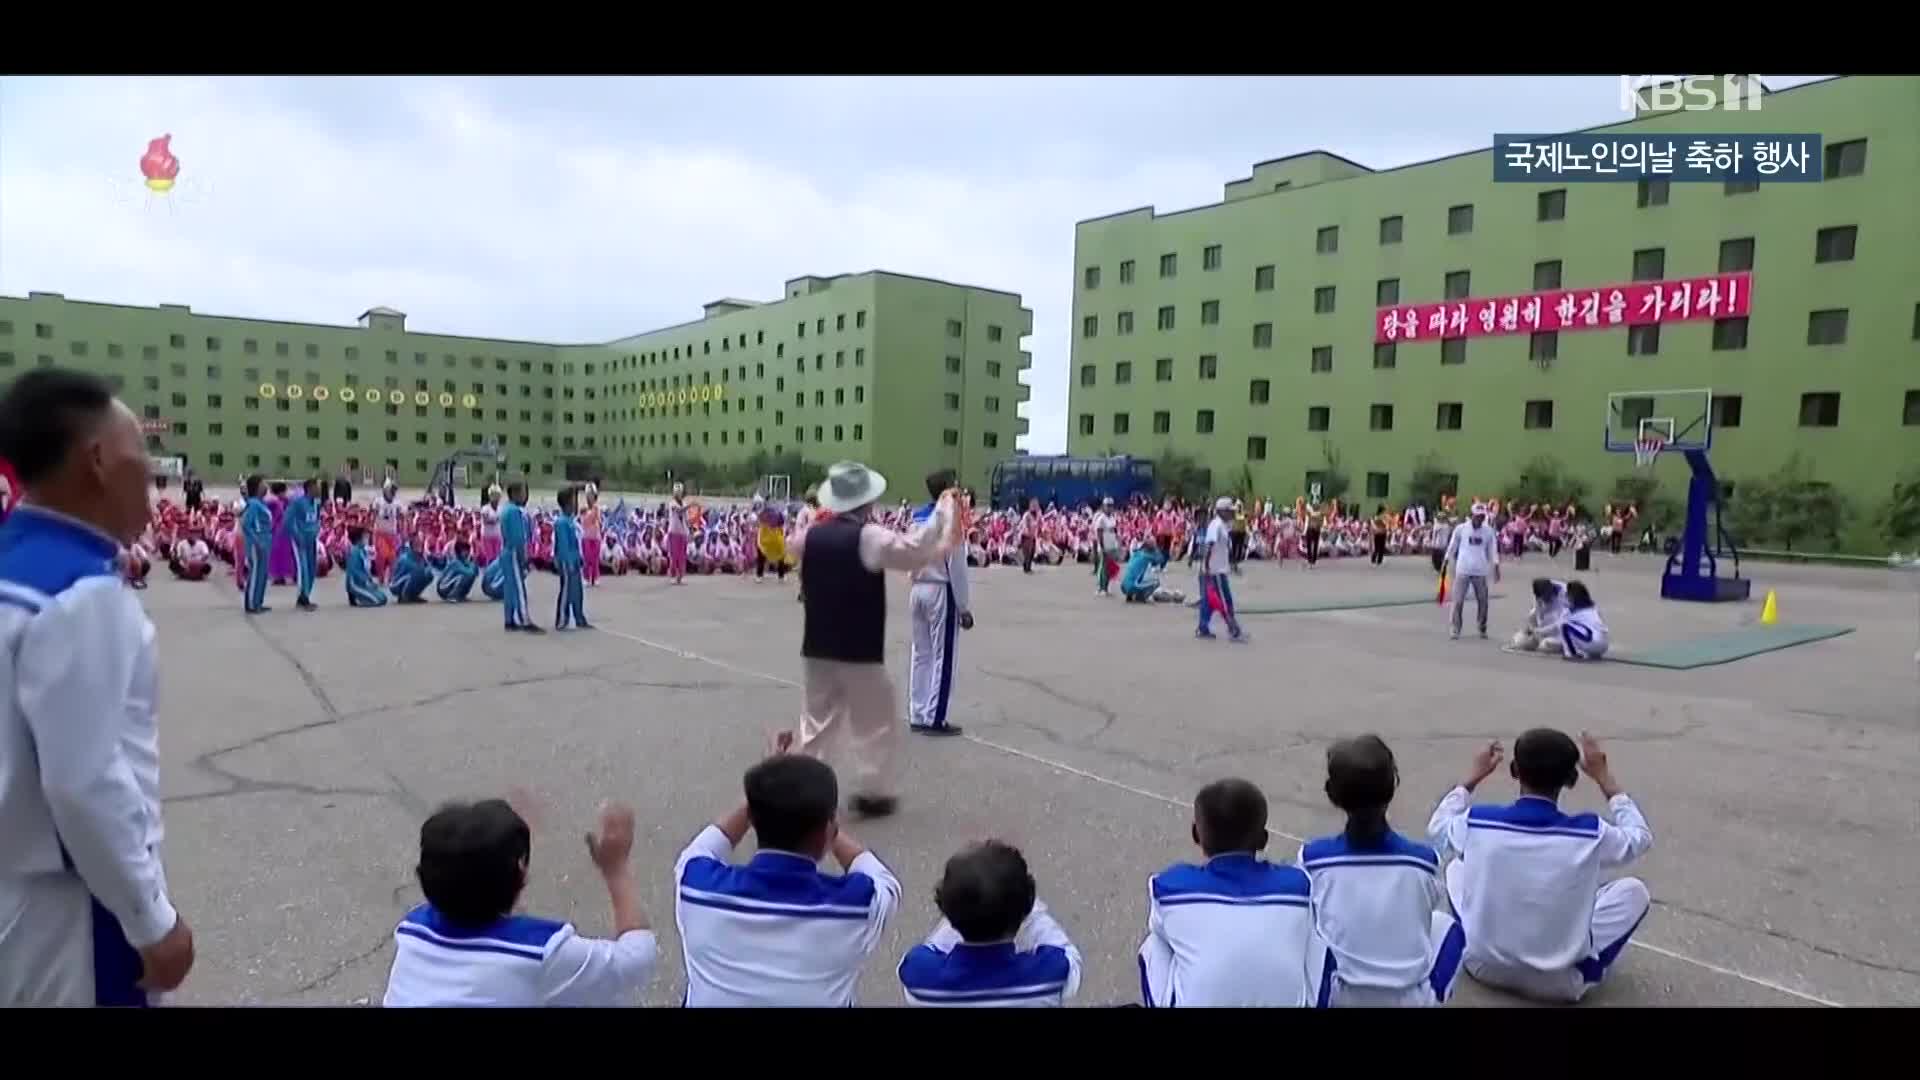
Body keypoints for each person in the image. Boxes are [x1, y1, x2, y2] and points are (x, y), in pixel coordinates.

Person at [0, 368, 196, 1006]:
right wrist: (151, 920)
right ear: (99, 461)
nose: (153, 487)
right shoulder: (81, 593)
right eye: (142, 462)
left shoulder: (14, 569)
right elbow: (83, 781)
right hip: (77, 910)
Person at [1427, 730, 1652, 1003]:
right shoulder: (1591, 833)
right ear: (1571, 780)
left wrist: (1472, 779)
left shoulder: (1477, 821)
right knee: (1634, 892)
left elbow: (1437, 828)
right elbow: (1639, 837)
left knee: (1456, 868)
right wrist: (1604, 777)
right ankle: (1579, 960)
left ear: (1514, 771)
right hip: (1560, 982)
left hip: (1483, 966)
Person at [789, 461, 961, 817]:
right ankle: (873, 789)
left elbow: (792, 548)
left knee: (816, 721)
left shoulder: (811, 537)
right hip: (858, 647)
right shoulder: (869, 537)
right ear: (865, 501)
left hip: (817, 644)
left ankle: (801, 790)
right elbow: (915, 548)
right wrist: (943, 513)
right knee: (875, 721)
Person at [674, 740, 900, 1006]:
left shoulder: (696, 886)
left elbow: (705, 845)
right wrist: (822, 822)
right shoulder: (857, 905)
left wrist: (766, 792)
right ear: (827, 830)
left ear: (753, 818)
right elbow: (880, 876)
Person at [383, 797, 657, 1007]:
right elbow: (637, 959)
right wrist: (616, 869)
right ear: (522, 872)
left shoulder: (411, 931)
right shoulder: (539, 951)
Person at [1301, 736, 1464, 1007]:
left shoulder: (1313, 860)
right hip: (1408, 999)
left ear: (1331, 793)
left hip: (1340, 997)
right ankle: (1431, 996)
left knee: (1308, 926)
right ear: (1393, 787)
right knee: (1446, 925)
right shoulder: (1424, 861)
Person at [1138, 778, 1316, 1006]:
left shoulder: (1169, 887)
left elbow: (1162, 932)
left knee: (1155, 943)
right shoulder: (1297, 886)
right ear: (1263, 839)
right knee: (1313, 938)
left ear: (1196, 835)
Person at [897, 840, 1082, 1007]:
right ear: (1027, 904)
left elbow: (931, 947)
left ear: (947, 909)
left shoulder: (920, 977)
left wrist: (959, 911)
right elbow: (1069, 956)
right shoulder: (1048, 975)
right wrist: (1031, 911)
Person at [907, 469, 973, 738]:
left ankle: (918, 711)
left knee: (921, 654)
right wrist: (964, 607)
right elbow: (956, 566)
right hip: (940, 589)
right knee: (942, 656)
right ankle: (936, 717)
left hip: (918, 587)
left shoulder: (917, 517)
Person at [1443, 502, 1501, 640]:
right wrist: (1446, 560)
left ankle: (1482, 627)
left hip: (1480, 570)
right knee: (1458, 601)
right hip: (1463, 569)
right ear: (1471, 515)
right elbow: (1453, 546)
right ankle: (1455, 628)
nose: (1479, 519)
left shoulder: (1488, 531)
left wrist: (1496, 566)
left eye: (1482, 517)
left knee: (1483, 601)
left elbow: (1493, 550)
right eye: (1477, 516)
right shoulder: (1461, 529)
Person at [1194, 497, 1247, 643]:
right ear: (1221, 511)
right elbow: (1209, 546)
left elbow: (1224, 549)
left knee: (1209, 602)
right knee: (1225, 601)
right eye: (1229, 511)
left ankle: (1203, 628)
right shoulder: (1215, 525)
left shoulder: (1224, 525)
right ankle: (1234, 630)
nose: (1232, 513)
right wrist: (1205, 567)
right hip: (1215, 571)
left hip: (1219, 569)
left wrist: (1233, 565)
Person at [496, 482, 541, 634]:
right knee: (519, 588)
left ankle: (509, 619)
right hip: (514, 551)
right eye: (522, 492)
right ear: (515, 494)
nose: (524, 496)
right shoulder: (515, 511)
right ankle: (524, 619)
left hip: (506, 551)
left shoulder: (505, 509)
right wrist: (524, 556)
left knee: (510, 588)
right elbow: (518, 538)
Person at [551, 486, 590, 631]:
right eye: (573, 500)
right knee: (566, 590)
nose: (575, 503)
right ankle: (562, 618)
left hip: (574, 560)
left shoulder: (571, 521)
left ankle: (579, 617)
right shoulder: (561, 522)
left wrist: (579, 557)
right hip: (567, 563)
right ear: (567, 503)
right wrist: (566, 561)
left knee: (577, 590)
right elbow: (563, 545)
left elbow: (576, 543)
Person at [240, 474, 274, 614]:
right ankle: (252, 604)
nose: (266, 486)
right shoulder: (253, 504)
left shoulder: (261, 503)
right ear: (257, 487)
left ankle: (258, 602)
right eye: (262, 483)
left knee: (262, 574)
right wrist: (256, 540)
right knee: (255, 574)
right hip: (257, 544)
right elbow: (246, 524)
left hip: (265, 543)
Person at [1510, 577, 1569, 653]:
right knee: (1521, 642)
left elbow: (1561, 623)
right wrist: (1532, 630)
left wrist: (1541, 632)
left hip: (1566, 629)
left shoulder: (1566, 595)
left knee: (1545, 646)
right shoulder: (1539, 595)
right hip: (1546, 629)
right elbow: (1534, 615)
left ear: (1551, 590)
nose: (1546, 599)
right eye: (1543, 598)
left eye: (1547, 596)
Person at [289, 477, 321, 612]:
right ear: (309, 488)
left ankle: (306, 595)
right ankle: (303, 599)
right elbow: (289, 520)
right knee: (303, 569)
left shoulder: (316, 502)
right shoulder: (298, 502)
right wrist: (297, 536)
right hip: (301, 541)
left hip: (312, 540)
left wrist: (316, 531)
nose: (319, 489)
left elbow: (316, 519)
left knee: (312, 569)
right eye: (317, 487)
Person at [1559, 580, 1609, 660]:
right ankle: (1592, 653)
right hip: (1604, 645)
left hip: (1592, 643)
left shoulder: (1571, 611)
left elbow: (1559, 625)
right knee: (1582, 629)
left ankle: (1571, 654)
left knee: (1564, 626)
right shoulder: (1593, 607)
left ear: (1571, 596)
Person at [344, 526, 389, 607]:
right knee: (377, 601)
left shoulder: (363, 551)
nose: (367, 539)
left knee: (383, 598)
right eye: (365, 536)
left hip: (364, 583)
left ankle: (363, 595)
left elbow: (366, 570)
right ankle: (355, 596)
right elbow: (355, 572)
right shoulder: (354, 552)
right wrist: (366, 581)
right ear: (359, 538)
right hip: (355, 584)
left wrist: (371, 581)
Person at [266, 480, 296, 586]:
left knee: (282, 553)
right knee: (283, 553)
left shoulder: (281, 501)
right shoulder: (276, 502)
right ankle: (281, 576)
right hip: (281, 529)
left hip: (280, 530)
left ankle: (283, 576)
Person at [372, 480, 402, 580]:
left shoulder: (397, 503)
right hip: (380, 533)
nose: (393, 493)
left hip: (392, 534)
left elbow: (400, 518)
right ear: (385, 490)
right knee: (382, 555)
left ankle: (391, 578)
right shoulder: (378, 501)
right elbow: (373, 516)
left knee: (392, 557)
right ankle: (380, 577)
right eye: (391, 490)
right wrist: (370, 528)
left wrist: (402, 531)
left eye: (394, 491)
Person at [1091, 497, 1121, 596]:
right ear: (1103, 507)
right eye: (1107, 506)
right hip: (1104, 542)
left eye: (1111, 506)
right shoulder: (1101, 518)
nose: (1109, 508)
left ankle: (1106, 587)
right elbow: (1099, 532)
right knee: (1103, 566)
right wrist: (1102, 546)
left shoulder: (1112, 517)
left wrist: (1117, 542)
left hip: (1111, 542)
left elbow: (1115, 531)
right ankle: (1101, 588)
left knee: (1109, 566)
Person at [389, 539, 433, 604]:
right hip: (396, 584)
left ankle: (413, 596)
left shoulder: (420, 556)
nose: (419, 547)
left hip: (408, 578)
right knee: (416, 573)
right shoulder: (405, 557)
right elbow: (414, 569)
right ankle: (403, 596)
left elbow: (428, 567)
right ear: (412, 546)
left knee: (429, 575)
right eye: (416, 545)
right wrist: (424, 568)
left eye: (420, 545)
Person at [665, 482, 691, 585]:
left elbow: (686, 519)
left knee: (682, 556)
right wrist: (690, 506)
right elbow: (679, 511)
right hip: (674, 532)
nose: (678, 494)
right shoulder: (672, 503)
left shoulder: (684, 503)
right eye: (677, 492)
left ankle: (680, 577)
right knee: (674, 555)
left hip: (682, 532)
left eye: (680, 492)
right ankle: (673, 575)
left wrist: (690, 531)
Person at [579, 483, 603, 588]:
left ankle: (595, 577)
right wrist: (589, 514)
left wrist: (591, 513)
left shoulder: (596, 508)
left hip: (596, 536)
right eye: (589, 494)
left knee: (595, 559)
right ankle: (586, 578)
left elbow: (597, 520)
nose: (590, 497)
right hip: (586, 536)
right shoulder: (583, 508)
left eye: (592, 495)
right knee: (587, 558)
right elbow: (584, 521)